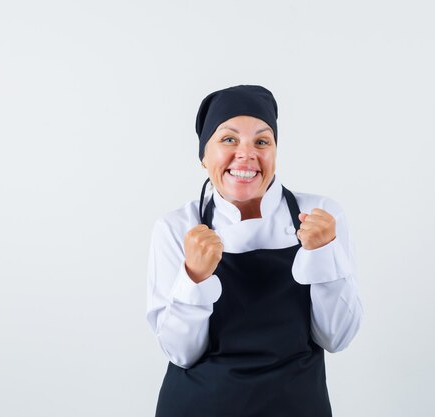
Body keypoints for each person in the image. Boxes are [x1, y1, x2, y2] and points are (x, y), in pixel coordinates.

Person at [146, 85, 362, 417]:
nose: (246, 154)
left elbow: (336, 337)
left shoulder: (321, 216)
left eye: (262, 141)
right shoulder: (176, 228)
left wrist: (323, 253)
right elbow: (181, 353)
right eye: (228, 139)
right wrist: (195, 277)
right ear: (204, 155)